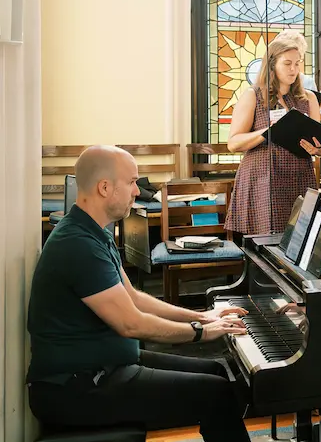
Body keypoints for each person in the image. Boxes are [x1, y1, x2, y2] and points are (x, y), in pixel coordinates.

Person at [27, 146, 249, 441]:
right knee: (216, 393)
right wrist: (201, 332)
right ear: (105, 187)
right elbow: (131, 324)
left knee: (217, 373)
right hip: (75, 387)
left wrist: (203, 316)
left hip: (101, 367)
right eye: (132, 182)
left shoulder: (94, 231)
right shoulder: (77, 244)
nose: (137, 190)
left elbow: (132, 297)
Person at [226, 34, 321, 236]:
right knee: (266, 242)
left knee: (299, 239)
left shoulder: (308, 98)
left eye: (297, 63)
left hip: (299, 177)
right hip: (263, 178)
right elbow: (233, 143)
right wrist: (267, 131)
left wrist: (318, 149)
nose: (293, 69)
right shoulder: (254, 95)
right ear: (271, 65)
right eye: (287, 63)